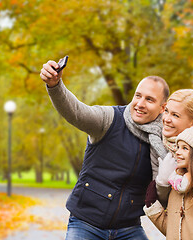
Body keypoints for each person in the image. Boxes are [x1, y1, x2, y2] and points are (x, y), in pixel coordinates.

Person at [40, 59, 169, 239]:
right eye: (138, 96)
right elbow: (76, 112)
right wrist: (55, 86)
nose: (140, 103)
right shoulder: (110, 119)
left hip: (128, 227)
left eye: (149, 99)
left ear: (163, 108)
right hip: (86, 223)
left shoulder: (164, 139)